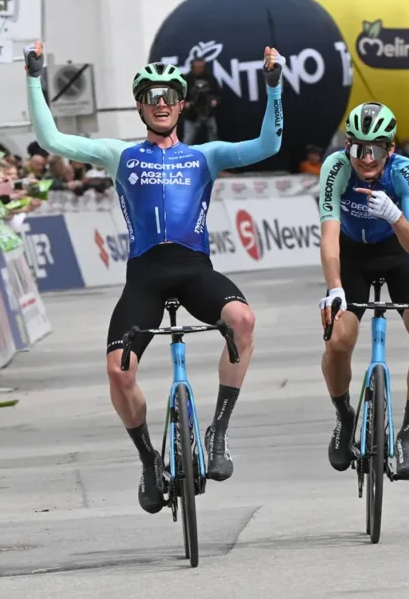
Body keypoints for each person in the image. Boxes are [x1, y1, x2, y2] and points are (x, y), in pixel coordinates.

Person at [23, 39, 285, 514]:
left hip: (194, 270)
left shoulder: (206, 156)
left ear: (182, 105)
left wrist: (273, 86)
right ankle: (149, 461)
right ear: (140, 107)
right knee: (117, 371)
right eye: (151, 97)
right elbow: (52, 140)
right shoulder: (118, 154)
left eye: (169, 96)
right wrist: (34, 78)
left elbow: (269, 145)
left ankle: (218, 432)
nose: (161, 103)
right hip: (144, 276)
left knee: (243, 321)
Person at [315, 102, 409, 481]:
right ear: (347, 146)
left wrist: (394, 215)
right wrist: (335, 288)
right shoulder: (336, 168)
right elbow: (329, 237)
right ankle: (344, 416)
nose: (366, 159)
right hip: (351, 254)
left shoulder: (405, 172)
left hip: (396, 251)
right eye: (358, 148)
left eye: (376, 150)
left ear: (391, 148)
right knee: (338, 338)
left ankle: (407, 436)